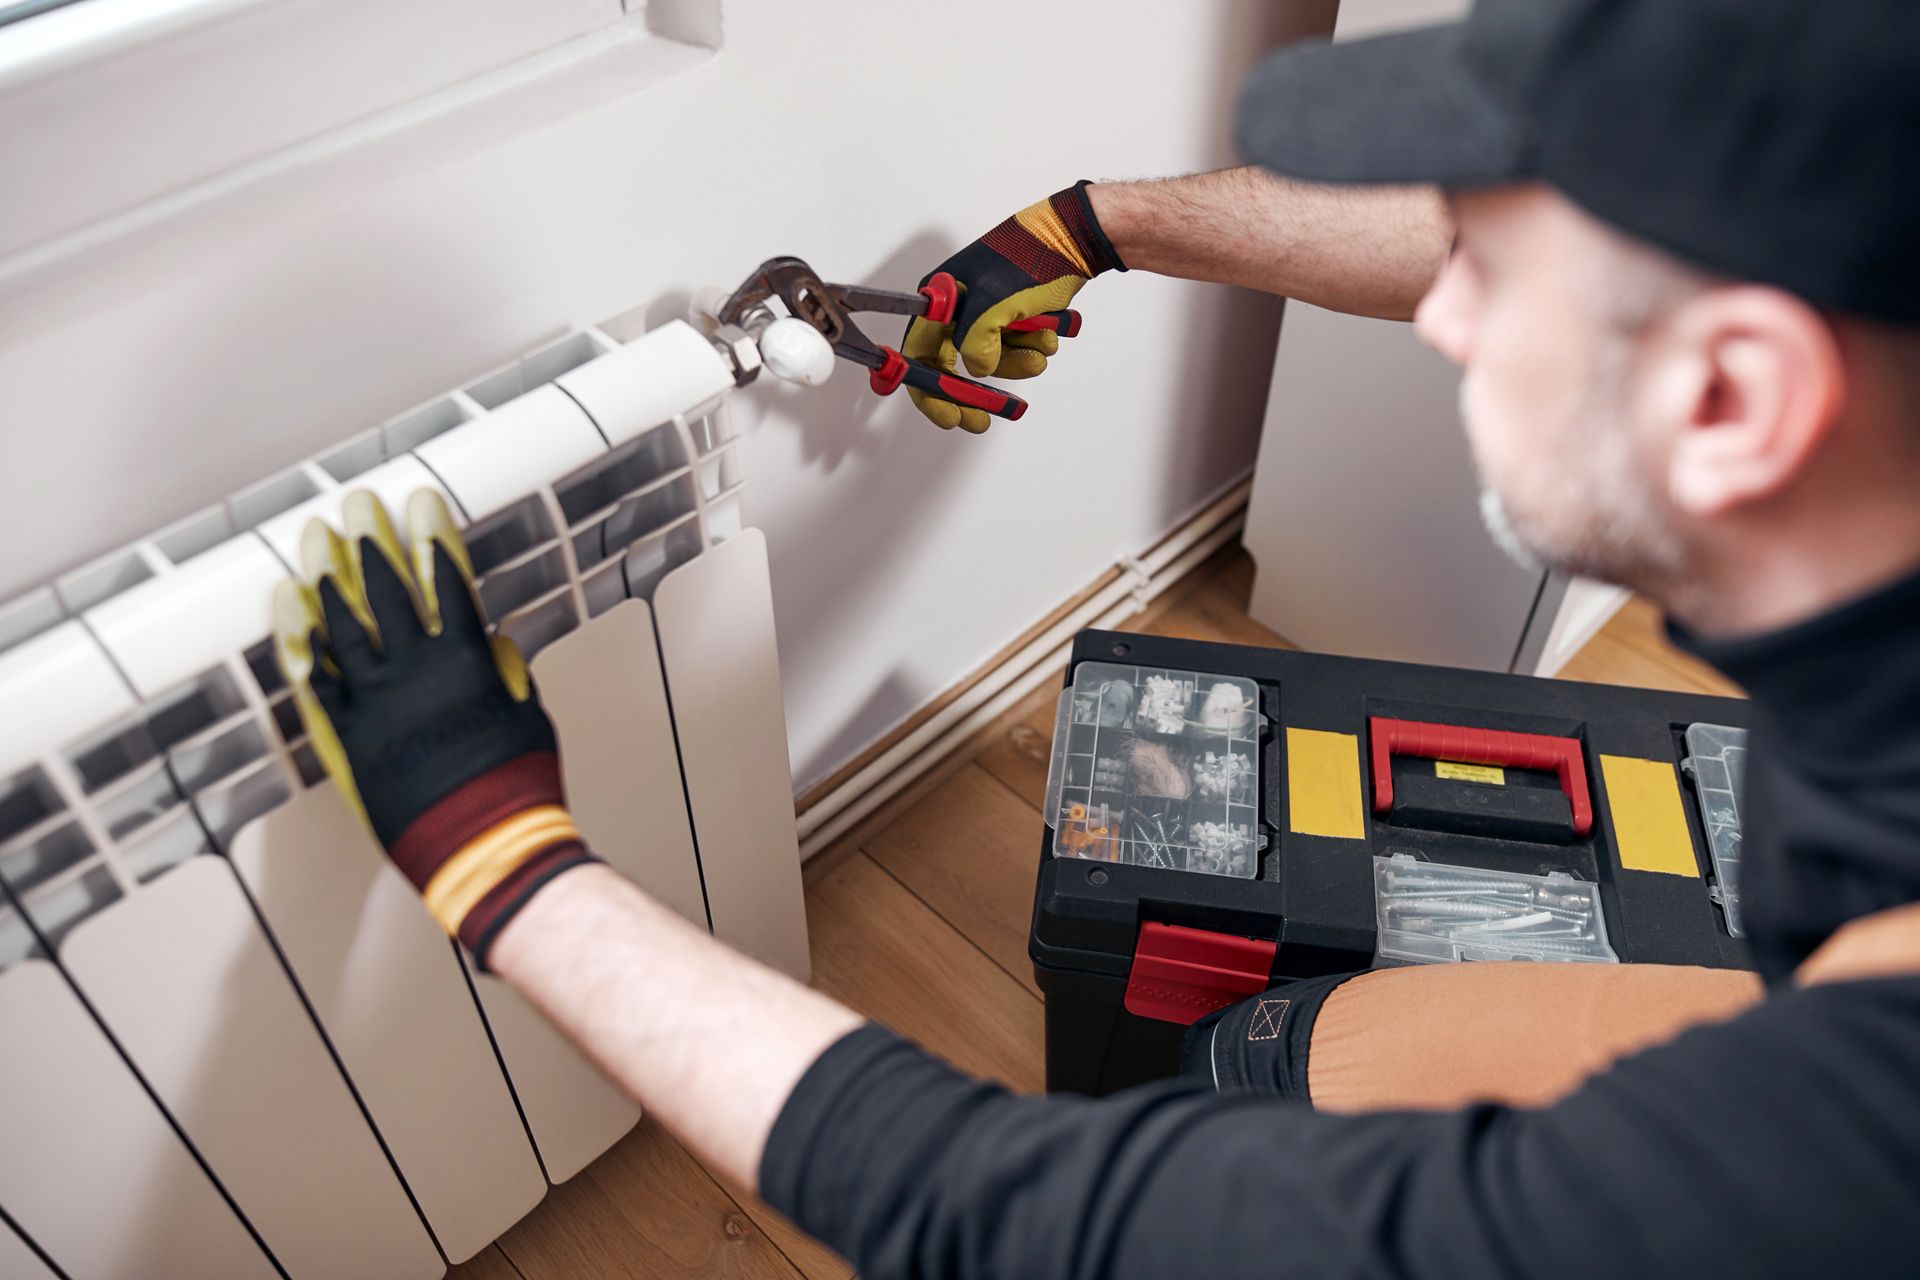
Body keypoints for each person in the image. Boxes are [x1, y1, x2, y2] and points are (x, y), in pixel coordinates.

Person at [273, 0, 1920, 1274]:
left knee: (1255, 1092)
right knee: (1293, 1050)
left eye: (1492, 273)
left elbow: (1013, 1220)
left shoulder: (1822, 1159)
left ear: (1733, 397)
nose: (1449, 310)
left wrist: (493, 852)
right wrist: (1091, 227)